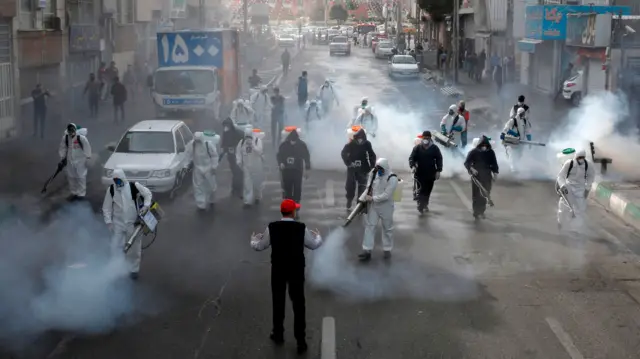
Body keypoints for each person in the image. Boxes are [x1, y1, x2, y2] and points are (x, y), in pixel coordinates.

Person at [250, 199, 323, 354]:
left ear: (282, 212)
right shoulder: (301, 228)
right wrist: (318, 237)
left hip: (278, 270)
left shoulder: (272, 228)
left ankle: (278, 334)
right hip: (296, 270)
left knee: (278, 302)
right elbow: (314, 245)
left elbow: (260, 246)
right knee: (298, 305)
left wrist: (253, 240)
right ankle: (301, 341)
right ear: (293, 212)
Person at [102, 168, 153, 280]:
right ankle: (115, 269)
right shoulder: (111, 190)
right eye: (115, 180)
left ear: (123, 178)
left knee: (134, 248)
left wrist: (146, 206)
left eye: (118, 180)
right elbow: (106, 208)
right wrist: (108, 222)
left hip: (133, 223)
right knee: (116, 246)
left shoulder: (134, 186)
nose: (117, 183)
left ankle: (133, 270)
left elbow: (148, 194)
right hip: (118, 224)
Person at [359, 158, 398, 261]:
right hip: (374, 206)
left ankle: (387, 249)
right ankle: (367, 250)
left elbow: (386, 195)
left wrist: (373, 198)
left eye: (381, 169)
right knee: (370, 226)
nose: (379, 171)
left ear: (385, 168)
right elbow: (369, 187)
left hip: (386, 207)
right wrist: (362, 199)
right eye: (378, 169)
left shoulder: (392, 178)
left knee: (387, 228)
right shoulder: (374, 173)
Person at [557, 149, 595, 231]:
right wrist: (563, 186)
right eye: (579, 157)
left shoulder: (588, 165)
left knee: (579, 210)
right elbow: (561, 176)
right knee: (563, 207)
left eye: (583, 157)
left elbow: (591, 177)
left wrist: (587, 188)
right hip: (569, 187)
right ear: (576, 157)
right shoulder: (569, 163)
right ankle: (560, 222)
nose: (581, 159)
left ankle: (575, 229)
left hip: (580, 189)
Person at [463, 135, 499, 219]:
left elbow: (494, 164)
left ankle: (482, 211)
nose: (484, 147)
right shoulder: (473, 152)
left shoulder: (490, 152)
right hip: (476, 176)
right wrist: (472, 169)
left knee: (485, 193)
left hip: (487, 175)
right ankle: (476, 211)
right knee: (476, 194)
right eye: (482, 145)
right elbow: (467, 163)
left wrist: (495, 173)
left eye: (486, 145)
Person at [341, 128, 376, 211]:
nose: (360, 141)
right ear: (355, 138)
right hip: (352, 168)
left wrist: (372, 166)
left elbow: (372, 155)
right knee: (350, 186)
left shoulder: (367, 144)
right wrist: (349, 163)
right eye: (358, 139)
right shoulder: (350, 144)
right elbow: (343, 153)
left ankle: (359, 205)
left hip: (363, 168)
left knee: (362, 187)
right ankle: (349, 199)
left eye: (362, 139)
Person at [408, 131, 443, 214]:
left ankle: (425, 203)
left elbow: (439, 159)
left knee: (428, 190)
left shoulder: (434, 148)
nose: (426, 139)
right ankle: (420, 204)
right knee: (420, 189)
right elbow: (411, 158)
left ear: (430, 138)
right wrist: (412, 166)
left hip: (431, 173)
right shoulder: (417, 148)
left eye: (427, 138)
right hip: (419, 172)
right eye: (424, 138)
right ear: (422, 138)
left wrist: (438, 170)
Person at [277, 129, 311, 208]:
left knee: (297, 189)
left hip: (297, 171)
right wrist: (281, 163)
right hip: (286, 171)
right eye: (292, 141)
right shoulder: (284, 145)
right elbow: (279, 155)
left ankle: (296, 207)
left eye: (294, 141)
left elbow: (306, 157)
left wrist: (307, 169)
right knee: (287, 189)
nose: (293, 143)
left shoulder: (301, 145)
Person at [58, 123, 92, 199]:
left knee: (81, 176)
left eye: (72, 130)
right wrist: (62, 158)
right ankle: (74, 193)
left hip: (81, 160)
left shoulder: (81, 138)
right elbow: (62, 148)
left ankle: (81, 194)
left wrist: (88, 158)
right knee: (71, 177)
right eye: (70, 131)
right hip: (70, 160)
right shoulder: (66, 138)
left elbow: (87, 149)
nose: (71, 133)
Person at [189, 131, 219, 211]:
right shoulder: (193, 145)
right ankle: (201, 205)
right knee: (198, 187)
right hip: (198, 168)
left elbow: (214, 156)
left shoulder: (208, 144)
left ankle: (212, 200)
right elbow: (190, 155)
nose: (197, 142)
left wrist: (214, 167)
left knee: (211, 186)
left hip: (208, 168)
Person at [236, 127, 265, 206]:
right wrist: (239, 162)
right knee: (247, 184)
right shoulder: (241, 142)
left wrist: (253, 145)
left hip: (257, 166)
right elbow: (238, 153)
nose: (248, 139)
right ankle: (247, 201)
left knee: (257, 183)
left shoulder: (257, 141)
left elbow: (260, 151)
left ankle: (258, 196)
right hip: (246, 166)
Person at [500, 107, 532, 171]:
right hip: (513, 141)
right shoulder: (513, 120)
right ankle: (513, 168)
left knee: (519, 155)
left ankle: (514, 166)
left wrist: (529, 141)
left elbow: (528, 131)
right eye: (522, 113)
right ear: (519, 113)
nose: (523, 114)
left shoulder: (525, 121)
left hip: (520, 142)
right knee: (513, 154)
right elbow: (507, 128)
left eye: (524, 113)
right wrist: (503, 134)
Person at [219, 118, 244, 198]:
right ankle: (235, 188)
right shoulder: (225, 133)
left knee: (239, 173)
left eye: (227, 126)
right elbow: (224, 145)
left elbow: (243, 141)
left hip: (238, 155)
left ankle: (239, 189)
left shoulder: (238, 133)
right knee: (235, 172)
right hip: (231, 157)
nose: (225, 127)